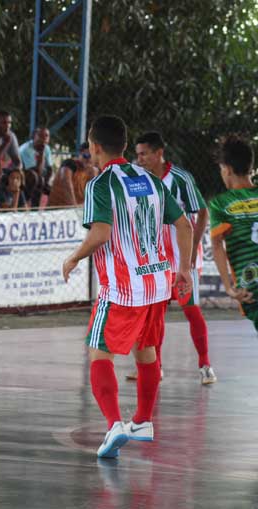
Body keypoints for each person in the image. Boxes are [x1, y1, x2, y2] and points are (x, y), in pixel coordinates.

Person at [62, 115, 193, 459]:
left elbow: (100, 234)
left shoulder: (100, 184)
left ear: (94, 147)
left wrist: (73, 258)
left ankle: (113, 424)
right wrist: (185, 269)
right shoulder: (150, 179)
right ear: (124, 145)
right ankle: (143, 420)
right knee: (146, 349)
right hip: (158, 282)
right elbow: (184, 225)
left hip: (122, 287)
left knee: (98, 352)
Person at [132, 131, 214, 384]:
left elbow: (202, 213)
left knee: (190, 309)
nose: (140, 159)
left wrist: (192, 251)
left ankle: (205, 365)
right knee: (154, 314)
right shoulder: (138, 178)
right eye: (137, 154)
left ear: (159, 153)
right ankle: (154, 367)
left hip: (182, 257)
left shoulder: (180, 178)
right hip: (155, 260)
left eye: (144, 154)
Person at [209, 135, 258, 334]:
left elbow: (217, 245)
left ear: (227, 170)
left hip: (251, 287)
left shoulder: (221, 203)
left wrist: (229, 288)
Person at [20, 127, 52, 207]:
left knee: (52, 188)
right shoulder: (25, 149)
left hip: (38, 174)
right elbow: (35, 171)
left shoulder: (46, 148)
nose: (44, 138)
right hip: (22, 174)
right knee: (36, 178)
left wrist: (47, 182)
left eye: (46, 136)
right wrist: (41, 154)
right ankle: (30, 206)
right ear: (34, 136)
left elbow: (49, 168)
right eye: (40, 136)